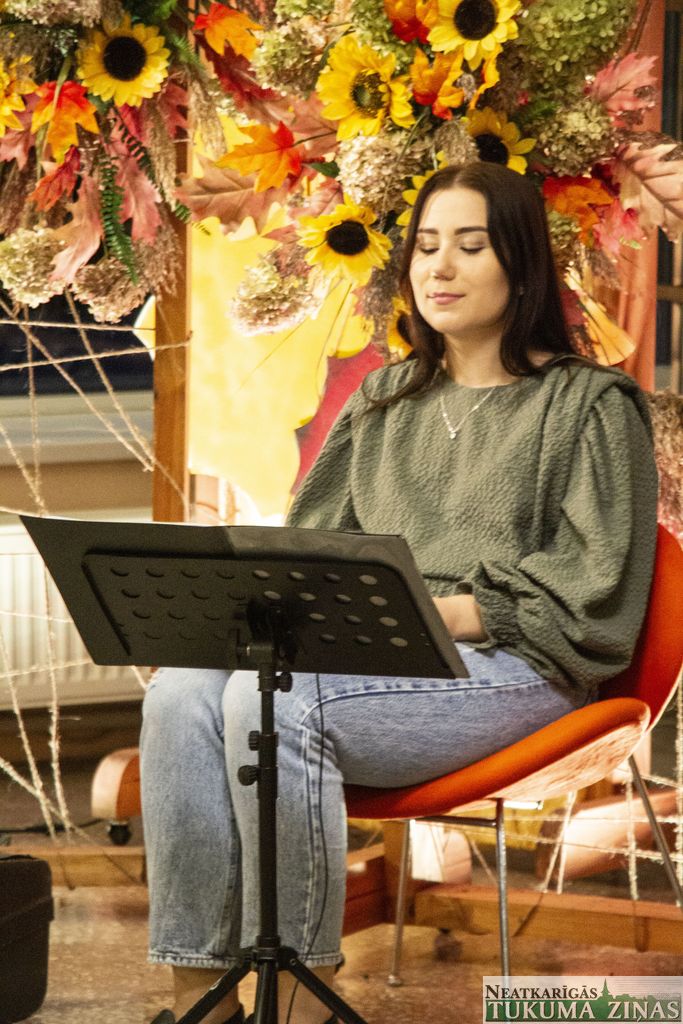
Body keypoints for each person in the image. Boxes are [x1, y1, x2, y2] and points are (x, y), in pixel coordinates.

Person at [142, 162, 658, 1024]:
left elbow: (591, 591)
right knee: (181, 695)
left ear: (522, 264)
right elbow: (313, 549)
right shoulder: (383, 398)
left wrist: (437, 614)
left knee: (282, 706)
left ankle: (299, 999)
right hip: (373, 651)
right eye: (425, 247)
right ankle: (201, 997)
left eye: (469, 246)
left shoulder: (588, 406)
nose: (439, 268)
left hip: (519, 666)